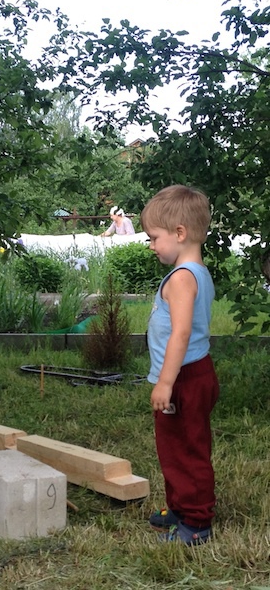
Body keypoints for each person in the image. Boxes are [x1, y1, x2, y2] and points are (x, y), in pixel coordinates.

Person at [141, 185, 219, 546]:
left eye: (154, 237)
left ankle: (197, 523)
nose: (152, 245)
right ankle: (182, 508)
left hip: (184, 378)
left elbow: (181, 334)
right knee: (175, 447)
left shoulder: (183, 278)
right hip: (191, 373)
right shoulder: (196, 272)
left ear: (179, 233)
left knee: (186, 450)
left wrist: (165, 382)